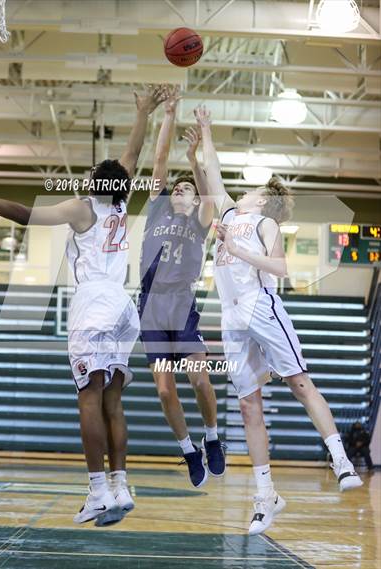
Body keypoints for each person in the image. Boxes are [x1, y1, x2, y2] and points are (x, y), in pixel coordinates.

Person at [0, 84, 167, 526]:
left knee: (88, 400)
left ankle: (96, 491)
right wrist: (144, 112)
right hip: (122, 309)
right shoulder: (119, 202)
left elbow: (23, 214)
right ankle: (120, 487)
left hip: (94, 305)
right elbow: (130, 158)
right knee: (112, 401)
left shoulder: (83, 208)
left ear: (96, 181)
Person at [194, 104, 363, 535]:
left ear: (264, 200)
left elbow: (280, 269)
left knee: (300, 383)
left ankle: (340, 459)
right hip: (232, 319)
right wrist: (206, 128)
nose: (243, 192)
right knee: (248, 405)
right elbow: (211, 170)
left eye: (252, 191)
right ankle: (265, 494)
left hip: (262, 309)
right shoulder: (231, 215)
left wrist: (236, 246)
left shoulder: (264, 224)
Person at [138, 87, 225, 488]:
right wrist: (169, 114)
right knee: (163, 392)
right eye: (178, 188)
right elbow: (157, 161)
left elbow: (209, 192)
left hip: (182, 306)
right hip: (151, 309)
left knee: (200, 379)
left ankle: (211, 437)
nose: (180, 191)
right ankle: (188, 448)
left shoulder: (199, 221)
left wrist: (194, 161)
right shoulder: (157, 209)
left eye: (185, 189)